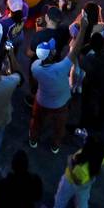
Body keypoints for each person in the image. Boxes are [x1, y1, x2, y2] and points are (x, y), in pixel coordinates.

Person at [29, 13, 87, 153]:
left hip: (42, 101)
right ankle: (55, 145)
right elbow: (76, 48)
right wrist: (84, 28)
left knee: (36, 121)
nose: (54, 49)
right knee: (59, 126)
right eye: (51, 48)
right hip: (60, 104)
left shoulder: (36, 66)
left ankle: (33, 139)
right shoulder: (62, 68)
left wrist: (39, 29)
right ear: (51, 54)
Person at [52, 136, 104, 208]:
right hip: (88, 181)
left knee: (61, 198)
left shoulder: (81, 168)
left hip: (70, 182)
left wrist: (70, 163)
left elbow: (77, 181)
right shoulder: (103, 154)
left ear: (88, 149)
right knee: (82, 198)